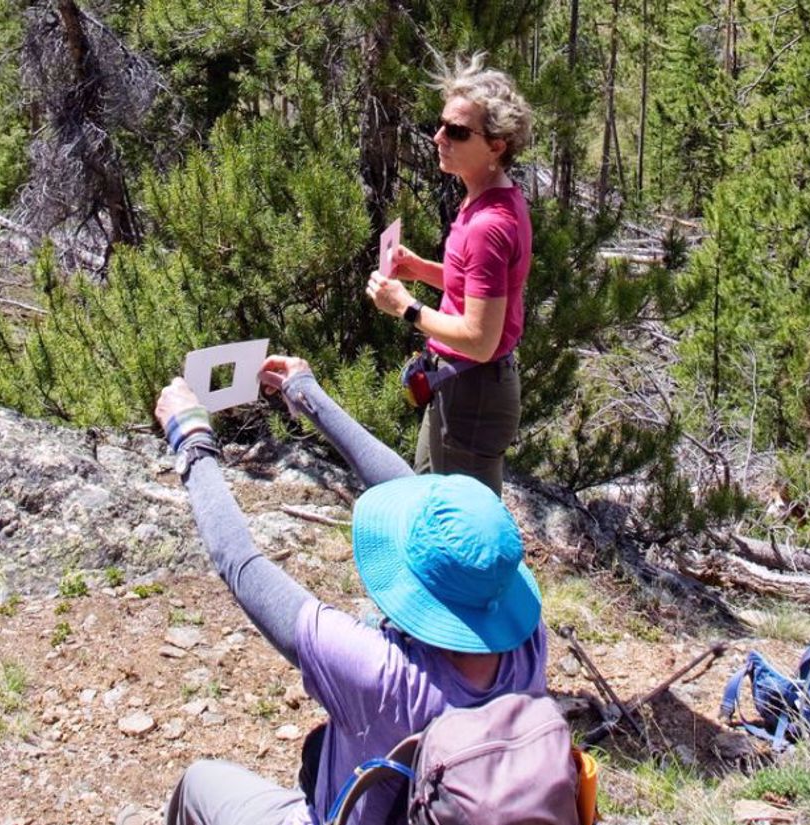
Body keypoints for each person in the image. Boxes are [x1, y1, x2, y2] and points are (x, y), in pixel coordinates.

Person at [154, 355, 546, 825]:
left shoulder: (381, 675)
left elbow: (239, 563)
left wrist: (191, 437)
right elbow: (410, 492)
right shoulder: (526, 638)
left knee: (201, 782)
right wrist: (307, 394)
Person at [365, 53, 536, 494]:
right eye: (440, 125)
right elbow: (482, 291)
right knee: (441, 508)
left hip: (472, 391)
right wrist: (423, 270)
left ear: (496, 146)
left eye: (457, 132)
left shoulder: (487, 225)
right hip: (466, 386)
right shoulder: (492, 199)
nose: (439, 137)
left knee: (459, 529)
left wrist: (406, 308)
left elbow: (479, 340)